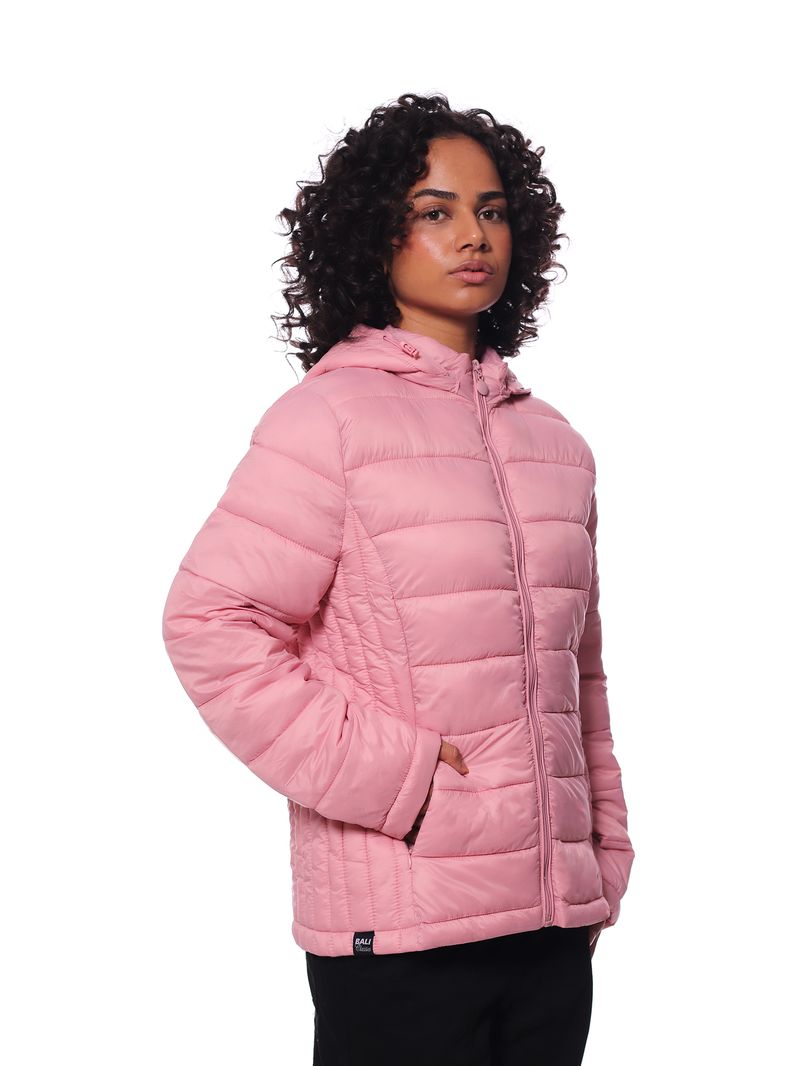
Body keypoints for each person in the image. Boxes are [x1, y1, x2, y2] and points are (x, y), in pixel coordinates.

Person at [161, 91, 635, 1066]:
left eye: (491, 210)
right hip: (402, 933)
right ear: (374, 234)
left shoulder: (557, 445)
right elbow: (210, 624)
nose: (472, 235)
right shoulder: (327, 422)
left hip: (551, 932)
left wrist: (602, 854)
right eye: (434, 211)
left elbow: (576, 677)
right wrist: (402, 780)